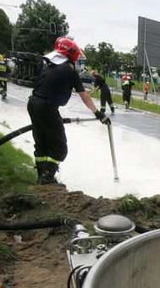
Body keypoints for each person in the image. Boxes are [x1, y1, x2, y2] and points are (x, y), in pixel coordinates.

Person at [27, 37, 110, 184]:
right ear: (72, 56)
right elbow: (84, 96)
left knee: (42, 144)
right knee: (59, 148)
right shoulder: (69, 70)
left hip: (33, 103)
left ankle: (41, 175)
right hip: (47, 107)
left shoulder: (49, 66)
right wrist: (98, 113)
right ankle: (47, 178)